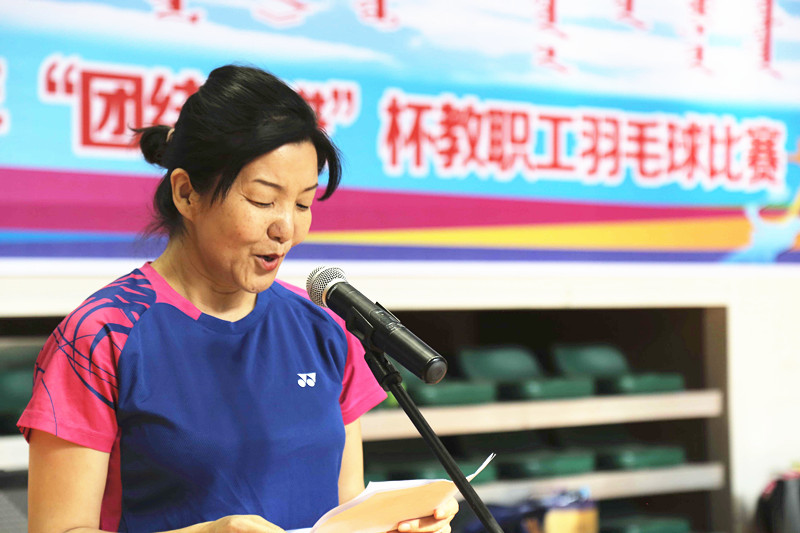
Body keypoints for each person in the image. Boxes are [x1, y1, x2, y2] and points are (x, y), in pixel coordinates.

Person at [18, 64, 458, 533]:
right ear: (187, 194)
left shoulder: (324, 329)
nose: (286, 228)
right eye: (263, 200)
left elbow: (346, 513)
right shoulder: (101, 336)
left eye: (303, 203)